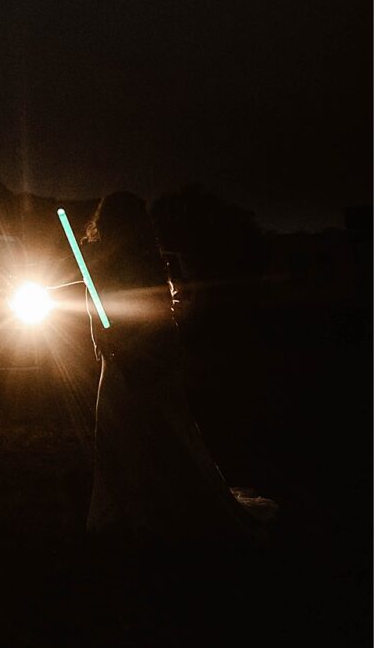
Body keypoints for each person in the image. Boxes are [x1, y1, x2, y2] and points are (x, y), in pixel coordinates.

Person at [78, 191, 275, 539]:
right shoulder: (111, 259)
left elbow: (154, 312)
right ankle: (135, 510)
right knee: (129, 435)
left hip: (144, 358)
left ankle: (155, 509)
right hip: (123, 359)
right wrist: (104, 345)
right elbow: (95, 307)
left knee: (154, 433)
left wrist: (125, 348)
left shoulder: (142, 260)